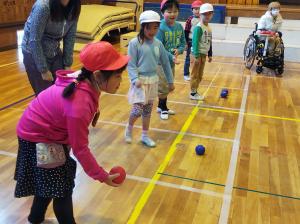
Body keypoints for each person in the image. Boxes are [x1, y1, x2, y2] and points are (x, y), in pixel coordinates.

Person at [14, 41, 129, 224]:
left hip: (45, 135)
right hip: (38, 138)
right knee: (62, 188)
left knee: (52, 182)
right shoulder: (79, 104)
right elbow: (80, 148)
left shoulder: (85, 79)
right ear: (98, 75)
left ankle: (35, 219)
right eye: (117, 76)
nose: (120, 81)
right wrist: (102, 175)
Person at [125, 10, 174, 148]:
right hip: (139, 82)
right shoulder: (135, 43)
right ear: (143, 26)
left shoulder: (158, 44)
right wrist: (135, 79)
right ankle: (129, 128)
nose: (152, 31)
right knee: (137, 110)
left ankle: (144, 136)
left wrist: (170, 81)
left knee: (147, 111)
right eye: (149, 27)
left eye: (155, 27)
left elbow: (165, 63)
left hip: (153, 80)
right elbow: (131, 64)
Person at [22, 0, 81, 95]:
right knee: (45, 95)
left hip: (54, 50)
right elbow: (34, 40)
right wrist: (43, 69)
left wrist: (67, 64)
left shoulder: (74, 6)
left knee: (62, 91)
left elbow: (70, 36)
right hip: (33, 51)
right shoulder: (43, 6)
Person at [156, 0, 186, 120]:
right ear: (163, 12)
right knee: (163, 86)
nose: (172, 14)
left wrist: (179, 50)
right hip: (160, 63)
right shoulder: (160, 27)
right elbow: (160, 48)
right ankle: (163, 108)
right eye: (169, 11)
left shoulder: (179, 26)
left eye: (175, 11)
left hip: (171, 62)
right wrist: (171, 56)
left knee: (168, 85)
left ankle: (160, 105)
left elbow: (183, 43)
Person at [190, 3, 213, 101]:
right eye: (205, 14)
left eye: (209, 14)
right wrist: (196, 55)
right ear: (200, 15)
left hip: (203, 54)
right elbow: (195, 42)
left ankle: (195, 91)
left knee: (200, 75)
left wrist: (210, 54)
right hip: (197, 54)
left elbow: (210, 42)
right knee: (195, 75)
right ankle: (192, 93)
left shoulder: (209, 28)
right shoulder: (199, 27)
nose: (207, 16)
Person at [183, 0, 202, 81]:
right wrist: (186, 43)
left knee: (198, 59)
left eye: (199, 9)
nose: (197, 11)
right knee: (188, 58)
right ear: (192, 10)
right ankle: (186, 74)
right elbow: (186, 31)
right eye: (195, 9)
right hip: (190, 41)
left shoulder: (203, 19)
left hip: (199, 42)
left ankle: (196, 73)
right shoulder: (190, 19)